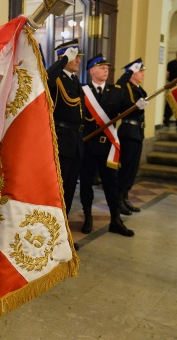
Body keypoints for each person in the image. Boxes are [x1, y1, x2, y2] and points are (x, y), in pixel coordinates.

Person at [79, 54, 134, 237]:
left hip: (107, 145)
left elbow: (127, 110)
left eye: (107, 68)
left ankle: (115, 220)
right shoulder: (83, 91)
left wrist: (138, 107)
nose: (106, 70)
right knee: (86, 183)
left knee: (112, 183)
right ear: (92, 70)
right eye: (102, 67)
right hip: (87, 146)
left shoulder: (116, 91)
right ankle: (88, 217)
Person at [46, 39, 84, 217]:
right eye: (74, 57)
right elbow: (44, 79)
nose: (78, 60)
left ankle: (64, 230)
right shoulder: (57, 78)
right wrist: (61, 62)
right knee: (57, 190)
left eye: (78, 57)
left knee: (69, 190)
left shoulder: (75, 81)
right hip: (61, 142)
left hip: (75, 142)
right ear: (64, 57)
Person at [116, 58, 148, 215]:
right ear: (132, 73)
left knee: (132, 169)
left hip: (138, 133)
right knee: (126, 167)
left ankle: (125, 197)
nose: (142, 73)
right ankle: (118, 200)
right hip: (128, 131)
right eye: (139, 71)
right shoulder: (125, 88)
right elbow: (123, 105)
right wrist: (135, 106)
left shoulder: (139, 89)